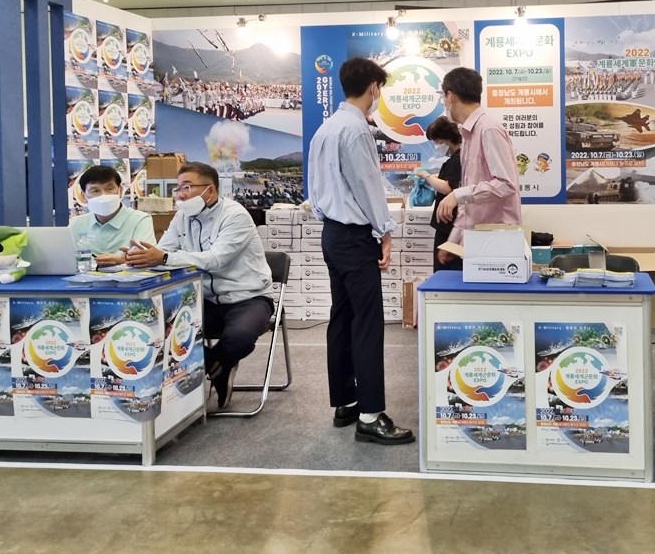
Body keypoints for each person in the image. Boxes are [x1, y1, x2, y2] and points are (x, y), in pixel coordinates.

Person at [307, 57, 413, 446]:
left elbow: (314, 187)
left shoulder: (325, 128)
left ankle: (346, 402)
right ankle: (370, 415)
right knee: (367, 322)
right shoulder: (356, 130)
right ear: (373, 88)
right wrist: (384, 231)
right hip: (354, 237)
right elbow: (368, 185)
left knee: (342, 317)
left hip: (333, 234)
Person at [124, 161, 273, 410]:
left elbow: (216, 259)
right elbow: (164, 251)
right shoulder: (182, 217)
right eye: (178, 188)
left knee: (238, 338)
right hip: (205, 299)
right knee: (162, 332)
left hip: (248, 297)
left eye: (187, 187)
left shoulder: (235, 215)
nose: (180, 194)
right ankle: (218, 367)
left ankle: (218, 365)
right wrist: (136, 258)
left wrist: (163, 258)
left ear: (210, 190)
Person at [436, 68, 521, 263]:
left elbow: (506, 184)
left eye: (444, 98)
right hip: (476, 240)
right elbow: (470, 199)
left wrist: (458, 195)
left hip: (498, 239)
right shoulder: (468, 134)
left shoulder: (488, 129)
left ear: (451, 96)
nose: (445, 104)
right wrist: (454, 239)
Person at [69, 165, 155, 268]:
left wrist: (121, 260)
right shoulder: (75, 224)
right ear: (84, 196)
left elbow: (146, 258)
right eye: (95, 191)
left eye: (109, 189)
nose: (103, 195)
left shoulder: (140, 220)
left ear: (120, 191)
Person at [414, 116, 463, 272]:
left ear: (446, 137)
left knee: (445, 269)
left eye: (436, 141)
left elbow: (449, 187)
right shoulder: (455, 158)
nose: (436, 145)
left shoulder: (458, 159)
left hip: (449, 223)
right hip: (448, 224)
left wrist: (427, 176)